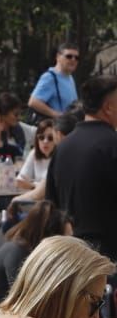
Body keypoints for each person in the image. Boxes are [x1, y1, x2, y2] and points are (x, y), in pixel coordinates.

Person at [46, 75, 117, 264]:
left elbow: (50, 201)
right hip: (106, 256)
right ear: (108, 107)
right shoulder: (112, 145)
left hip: (68, 252)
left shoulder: (62, 147)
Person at [29, 42, 80, 120]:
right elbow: (33, 102)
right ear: (58, 57)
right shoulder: (50, 77)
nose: (73, 60)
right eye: (69, 56)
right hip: (56, 128)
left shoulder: (70, 77)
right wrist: (58, 115)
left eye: (76, 58)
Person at [18, 119, 61, 190]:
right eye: (41, 137)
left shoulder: (61, 156)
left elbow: (51, 186)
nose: (45, 141)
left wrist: (32, 185)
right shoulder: (34, 153)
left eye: (50, 138)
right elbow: (20, 181)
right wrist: (36, 186)